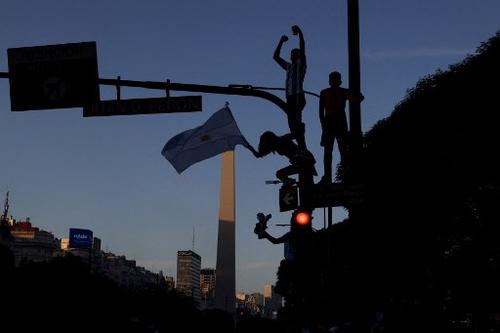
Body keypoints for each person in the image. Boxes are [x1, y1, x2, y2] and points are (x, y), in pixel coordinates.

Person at [319, 71, 364, 183]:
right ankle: (329, 176)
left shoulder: (342, 92)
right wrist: (324, 126)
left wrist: (357, 96)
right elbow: (320, 112)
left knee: (341, 150)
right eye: (332, 78)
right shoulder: (326, 92)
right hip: (332, 122)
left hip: (338, 122)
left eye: (335, 78)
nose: (333, 81)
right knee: (331, 151)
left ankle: (342, 174)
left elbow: (356, 98)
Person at [273, 25, 307, 150]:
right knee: (292, 125)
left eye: (295, 53)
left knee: (296, 123)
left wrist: (300, 33)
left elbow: (303, 48)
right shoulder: (289, 67)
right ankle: (300, 146)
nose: (293, 55)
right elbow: (275, 57)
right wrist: (281, 42)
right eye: (292, 53)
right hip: (290, 98)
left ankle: (300, 142)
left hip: (298, 96)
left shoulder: (301, 64)